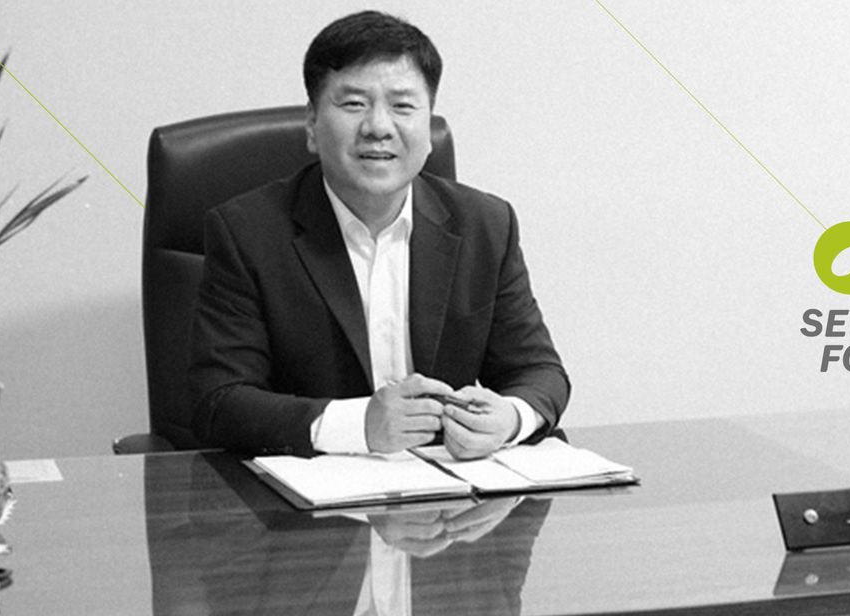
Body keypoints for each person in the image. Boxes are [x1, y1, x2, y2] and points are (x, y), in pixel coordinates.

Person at [189, 10, 568, 459]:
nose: (379, 127)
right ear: (311, 125)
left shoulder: (485, 225)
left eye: (403, 106)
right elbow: (220, 401)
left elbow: (539, 371)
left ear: (429, 127)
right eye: (354, 104)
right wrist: (358, 425)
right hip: (311, 491)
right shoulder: (247, 233)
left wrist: (511, 417)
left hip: (449, 489)